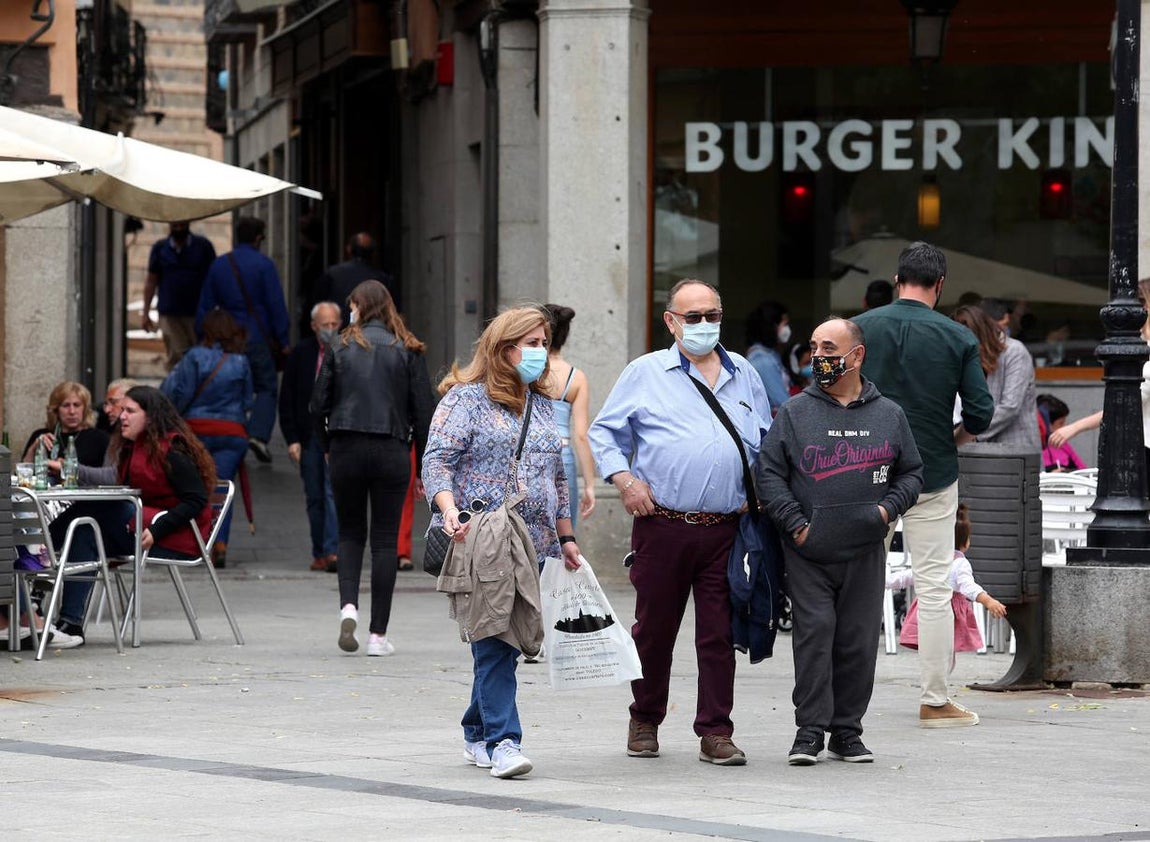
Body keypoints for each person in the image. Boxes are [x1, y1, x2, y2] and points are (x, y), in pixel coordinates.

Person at [589, 279, 771, 766]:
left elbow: (767, 441)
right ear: (671, 322)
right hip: (662, 524)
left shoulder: (745, 374)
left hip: (725, 530)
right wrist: (625, 481)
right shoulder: (644, 372)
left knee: (718, 632)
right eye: (694, 317)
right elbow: (603, 432)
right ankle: (645, 717)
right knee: (654, 629)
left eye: (713, 315)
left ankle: (715, 730)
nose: (706, 325)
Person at [422, 305, 583, 779]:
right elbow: (437, 462)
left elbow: (555, 475)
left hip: (534, 541)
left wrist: (567, 536)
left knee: (507, 640)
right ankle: (504, 740)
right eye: (532, 344)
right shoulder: (464, 399)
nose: (541, 353)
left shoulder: (545, 404)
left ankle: (476, 730)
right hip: (483, 538)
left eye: (544, 343)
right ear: (503, 348)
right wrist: (449, 511)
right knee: (495, 635)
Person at [758, 317, 923, 765]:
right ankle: (809, 731)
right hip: (809, 550)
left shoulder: (889, 414)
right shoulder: (794, 412)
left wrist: (886, 511)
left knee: (857, 640)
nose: (819, 357)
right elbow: (769, 474)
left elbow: (912, 472)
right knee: (814, 637)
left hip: (866, 549)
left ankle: (847, 732)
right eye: (814, 348)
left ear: (857, 355)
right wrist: (797, 525)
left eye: (829, 348)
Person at [853, 241, 994, 728]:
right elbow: (980, 412)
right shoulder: (957, 337)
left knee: (857, 584)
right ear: (939, 286)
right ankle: (935, 699)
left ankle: (842, 697)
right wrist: (952, 439)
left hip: (865, 472)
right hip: (932, 471)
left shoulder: (861, 329)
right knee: (934, 589)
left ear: (897, 281)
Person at [310, 280, 434, 657]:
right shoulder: (409, 350)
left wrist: (328, 445)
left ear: (359, 308)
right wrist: (424, 468)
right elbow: (424, 413)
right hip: (392, 450)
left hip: (346, 447)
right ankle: (378, 636)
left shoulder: (339, 347)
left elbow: (318, 405)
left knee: (349, 534)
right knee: (384, 542)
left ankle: (348, 605)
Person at [47, 386, 217, 643]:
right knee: (84, 530)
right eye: (122, 410)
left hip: (174, 537)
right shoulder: (132, 447)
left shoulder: (172, 448)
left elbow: (196, 500)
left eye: (129, 411)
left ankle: (41, 548)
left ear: (150, 417)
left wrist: (159, 528)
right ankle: (70, 625)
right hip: (139, 527)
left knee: (103, 506)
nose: (121, 416)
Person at [161, 307, 254, 568]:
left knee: (197, 488)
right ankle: (220, 543)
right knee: (222, 488)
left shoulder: (194, 357)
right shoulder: (241, 361)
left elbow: (182, 393)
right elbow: (247, 400)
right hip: (231, 433)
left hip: (197, 431)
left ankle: (200, 542)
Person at [196, 216, 290, 464]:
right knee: (267, 386)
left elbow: (206, 304)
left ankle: (232, 428)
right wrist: (283, 338)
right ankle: (258, 435)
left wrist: (201, 334)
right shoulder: (264, 265)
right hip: (257, 337)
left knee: (231, 384)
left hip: (227, 338)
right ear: (259, 237)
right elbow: (275, 304)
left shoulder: (219, 265)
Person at [887, 504, 1008, 666]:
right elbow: (969, 587)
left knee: (932, 653)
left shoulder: (930, 561)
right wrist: (988, 601)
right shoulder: (960, 565)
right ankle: (939, 678)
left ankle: (934, 674)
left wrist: (882, 581)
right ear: (965, 543)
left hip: (927, 609)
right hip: (948, 614)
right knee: (944, 656)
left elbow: (906, 577)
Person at [279, 301, 342, 573]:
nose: (330, 329)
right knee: (314, 495)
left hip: (336, 433)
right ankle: (320, 551)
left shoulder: (347, 350)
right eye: (324, 324)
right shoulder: (301, 354)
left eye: (334, 324)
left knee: (332, 493)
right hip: (309, 436)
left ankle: (332, 551)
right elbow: (288, 398)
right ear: (314, 326)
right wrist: (292, 438)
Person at [953, 305, 1040, 450]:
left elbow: (1010, 406)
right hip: (978, 446)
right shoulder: (970, 355)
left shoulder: (1015, 351)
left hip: (1015, 448)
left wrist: (967, 433)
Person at [542, 303, 596, 527]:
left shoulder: (529, 371)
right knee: (564, 530)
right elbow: (581, 435)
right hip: (563, 456)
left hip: (529, 454)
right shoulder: (577, 377)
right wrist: (590, 485)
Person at [142, 221, 217, 370]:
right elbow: (151, 281)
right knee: (176, 359)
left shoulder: (203, 247)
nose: (179, 228)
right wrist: (145, 312)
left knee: (202, 358)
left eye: (181, 225)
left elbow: (213, 279)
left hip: (197, 314)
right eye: (175, 225)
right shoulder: (160, 248)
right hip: (170, 315)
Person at [315, 232, 399, 326]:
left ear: (348, 249)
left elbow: (316, 305)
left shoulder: (333, 274)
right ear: (374, 253)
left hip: (338, 333)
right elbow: (394, 311)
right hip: (369, 333)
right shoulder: (383, 279)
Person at [22, 381, 110, 468]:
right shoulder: (42, 435)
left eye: (76, 405)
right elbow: (22, 473)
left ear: (85, 409)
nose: (72, 411)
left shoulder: (100, 438)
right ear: (56, 410)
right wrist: (34, 448)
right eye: (66, 405)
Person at [744, 300, 792, 412]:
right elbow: (782, 402)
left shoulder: (770, 354)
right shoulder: (762, 360)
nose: (787, 329)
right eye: (785, 324)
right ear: (772, 325)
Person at [1037, 394, 1087, 471]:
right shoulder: (1033, 448)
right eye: (1061, 423)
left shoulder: (1063, 444)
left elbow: (1083, 470)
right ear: (1046, 423)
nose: (1065, 427)